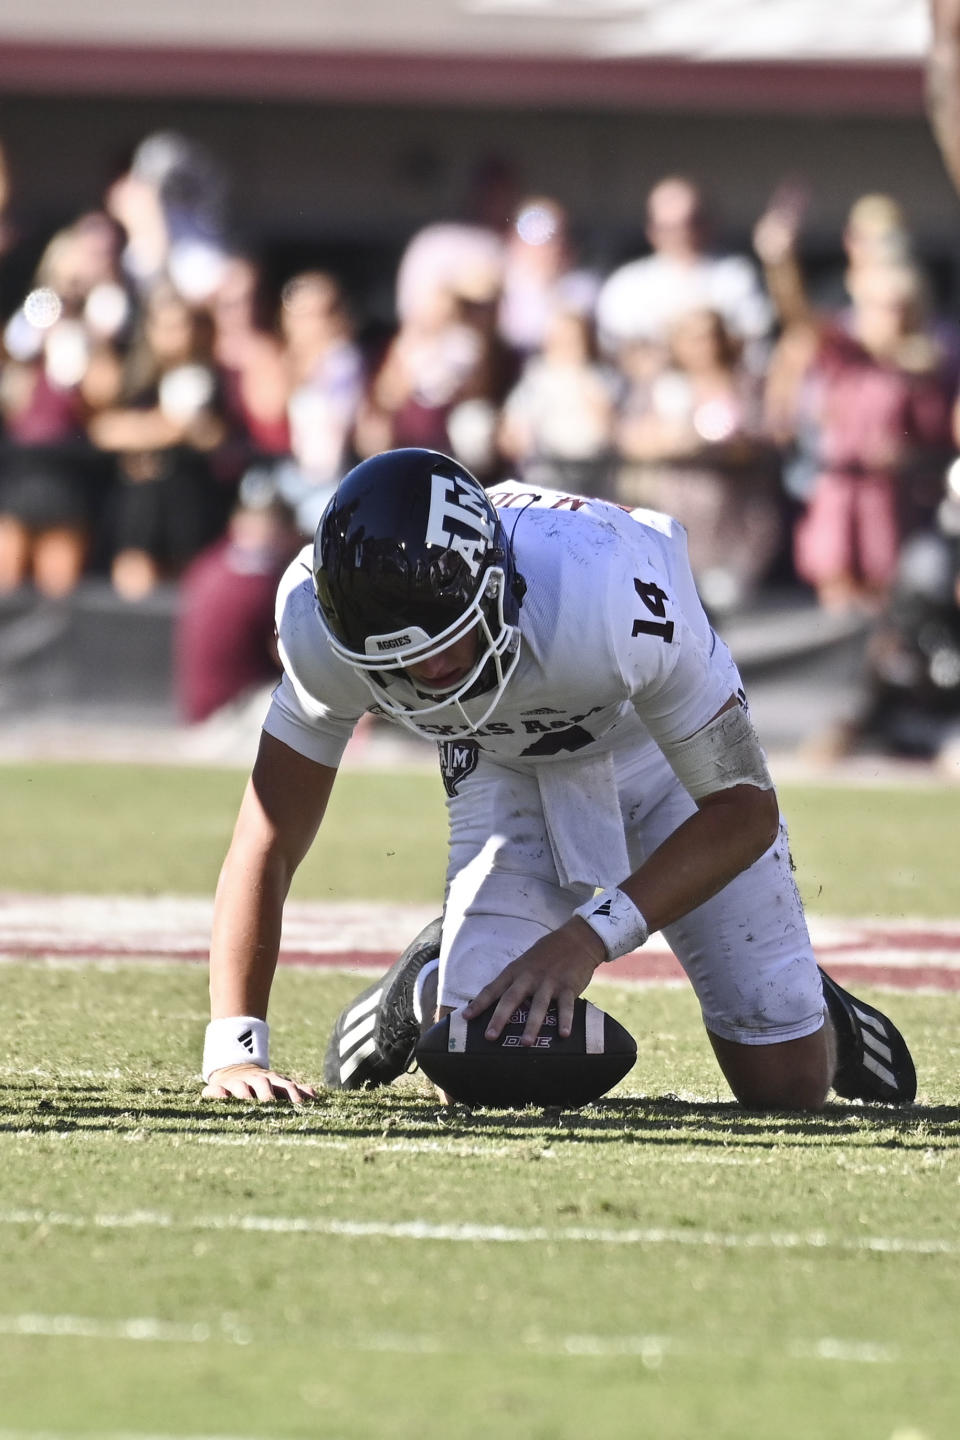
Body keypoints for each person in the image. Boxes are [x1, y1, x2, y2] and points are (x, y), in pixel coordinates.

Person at [200, 447, 917, 1112]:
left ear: (497, 583)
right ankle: (423, 992)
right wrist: (234, 1049)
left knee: (785, 1089)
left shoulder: (608, 590)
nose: (433, 677)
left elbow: (743, 810)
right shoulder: (317, 627)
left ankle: (823, 1013)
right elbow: (268, 837)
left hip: (661, 755)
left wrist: (585, 939)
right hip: (508, 769)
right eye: (401, 665)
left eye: (452, 642)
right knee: (481, 1072)